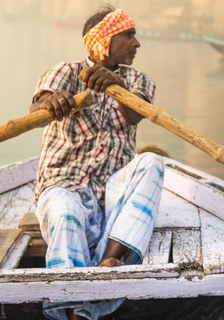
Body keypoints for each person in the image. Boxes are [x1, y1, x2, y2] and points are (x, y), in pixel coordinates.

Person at [29, 5, 164, 320]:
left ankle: (107, 261)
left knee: (152, 162)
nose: (136, 43)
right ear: (105, 40)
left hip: (112, 194)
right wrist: (50, 102)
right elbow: (37, 109)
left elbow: (134, 114)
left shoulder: (139, 80)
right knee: (64, 212)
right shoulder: (66, 70)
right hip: (64, 184)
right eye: (129, 35)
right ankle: (76, 311)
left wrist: (116, 86)